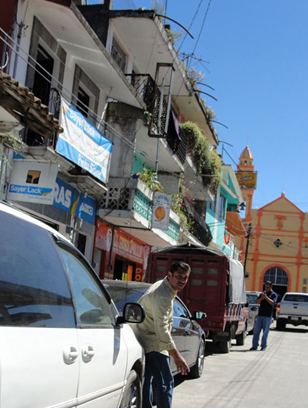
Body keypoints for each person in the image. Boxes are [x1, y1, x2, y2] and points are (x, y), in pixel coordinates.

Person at [133, 261, 191, 408]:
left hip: (144, 339)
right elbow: (162, 330)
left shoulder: (163, 285)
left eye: (185, 278)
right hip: (154, 344)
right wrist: (177, 357)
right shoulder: (163, 296)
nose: (182, 281)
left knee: (147, 382)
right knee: (165, 382)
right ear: (169, 275)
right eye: (179, 276)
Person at [250, 281, 278, 351]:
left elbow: (272, 303)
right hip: (260, 315)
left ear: (271, 287)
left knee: (265, 332)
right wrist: (261, 298)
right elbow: (257, 302)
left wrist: (266, 298)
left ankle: (263, 346)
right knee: (256, 331)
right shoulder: (262, 294)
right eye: (265, 287)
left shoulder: (274, 294)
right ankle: (254, 346)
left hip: (267, 316)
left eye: (268, 287)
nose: (267, 289)